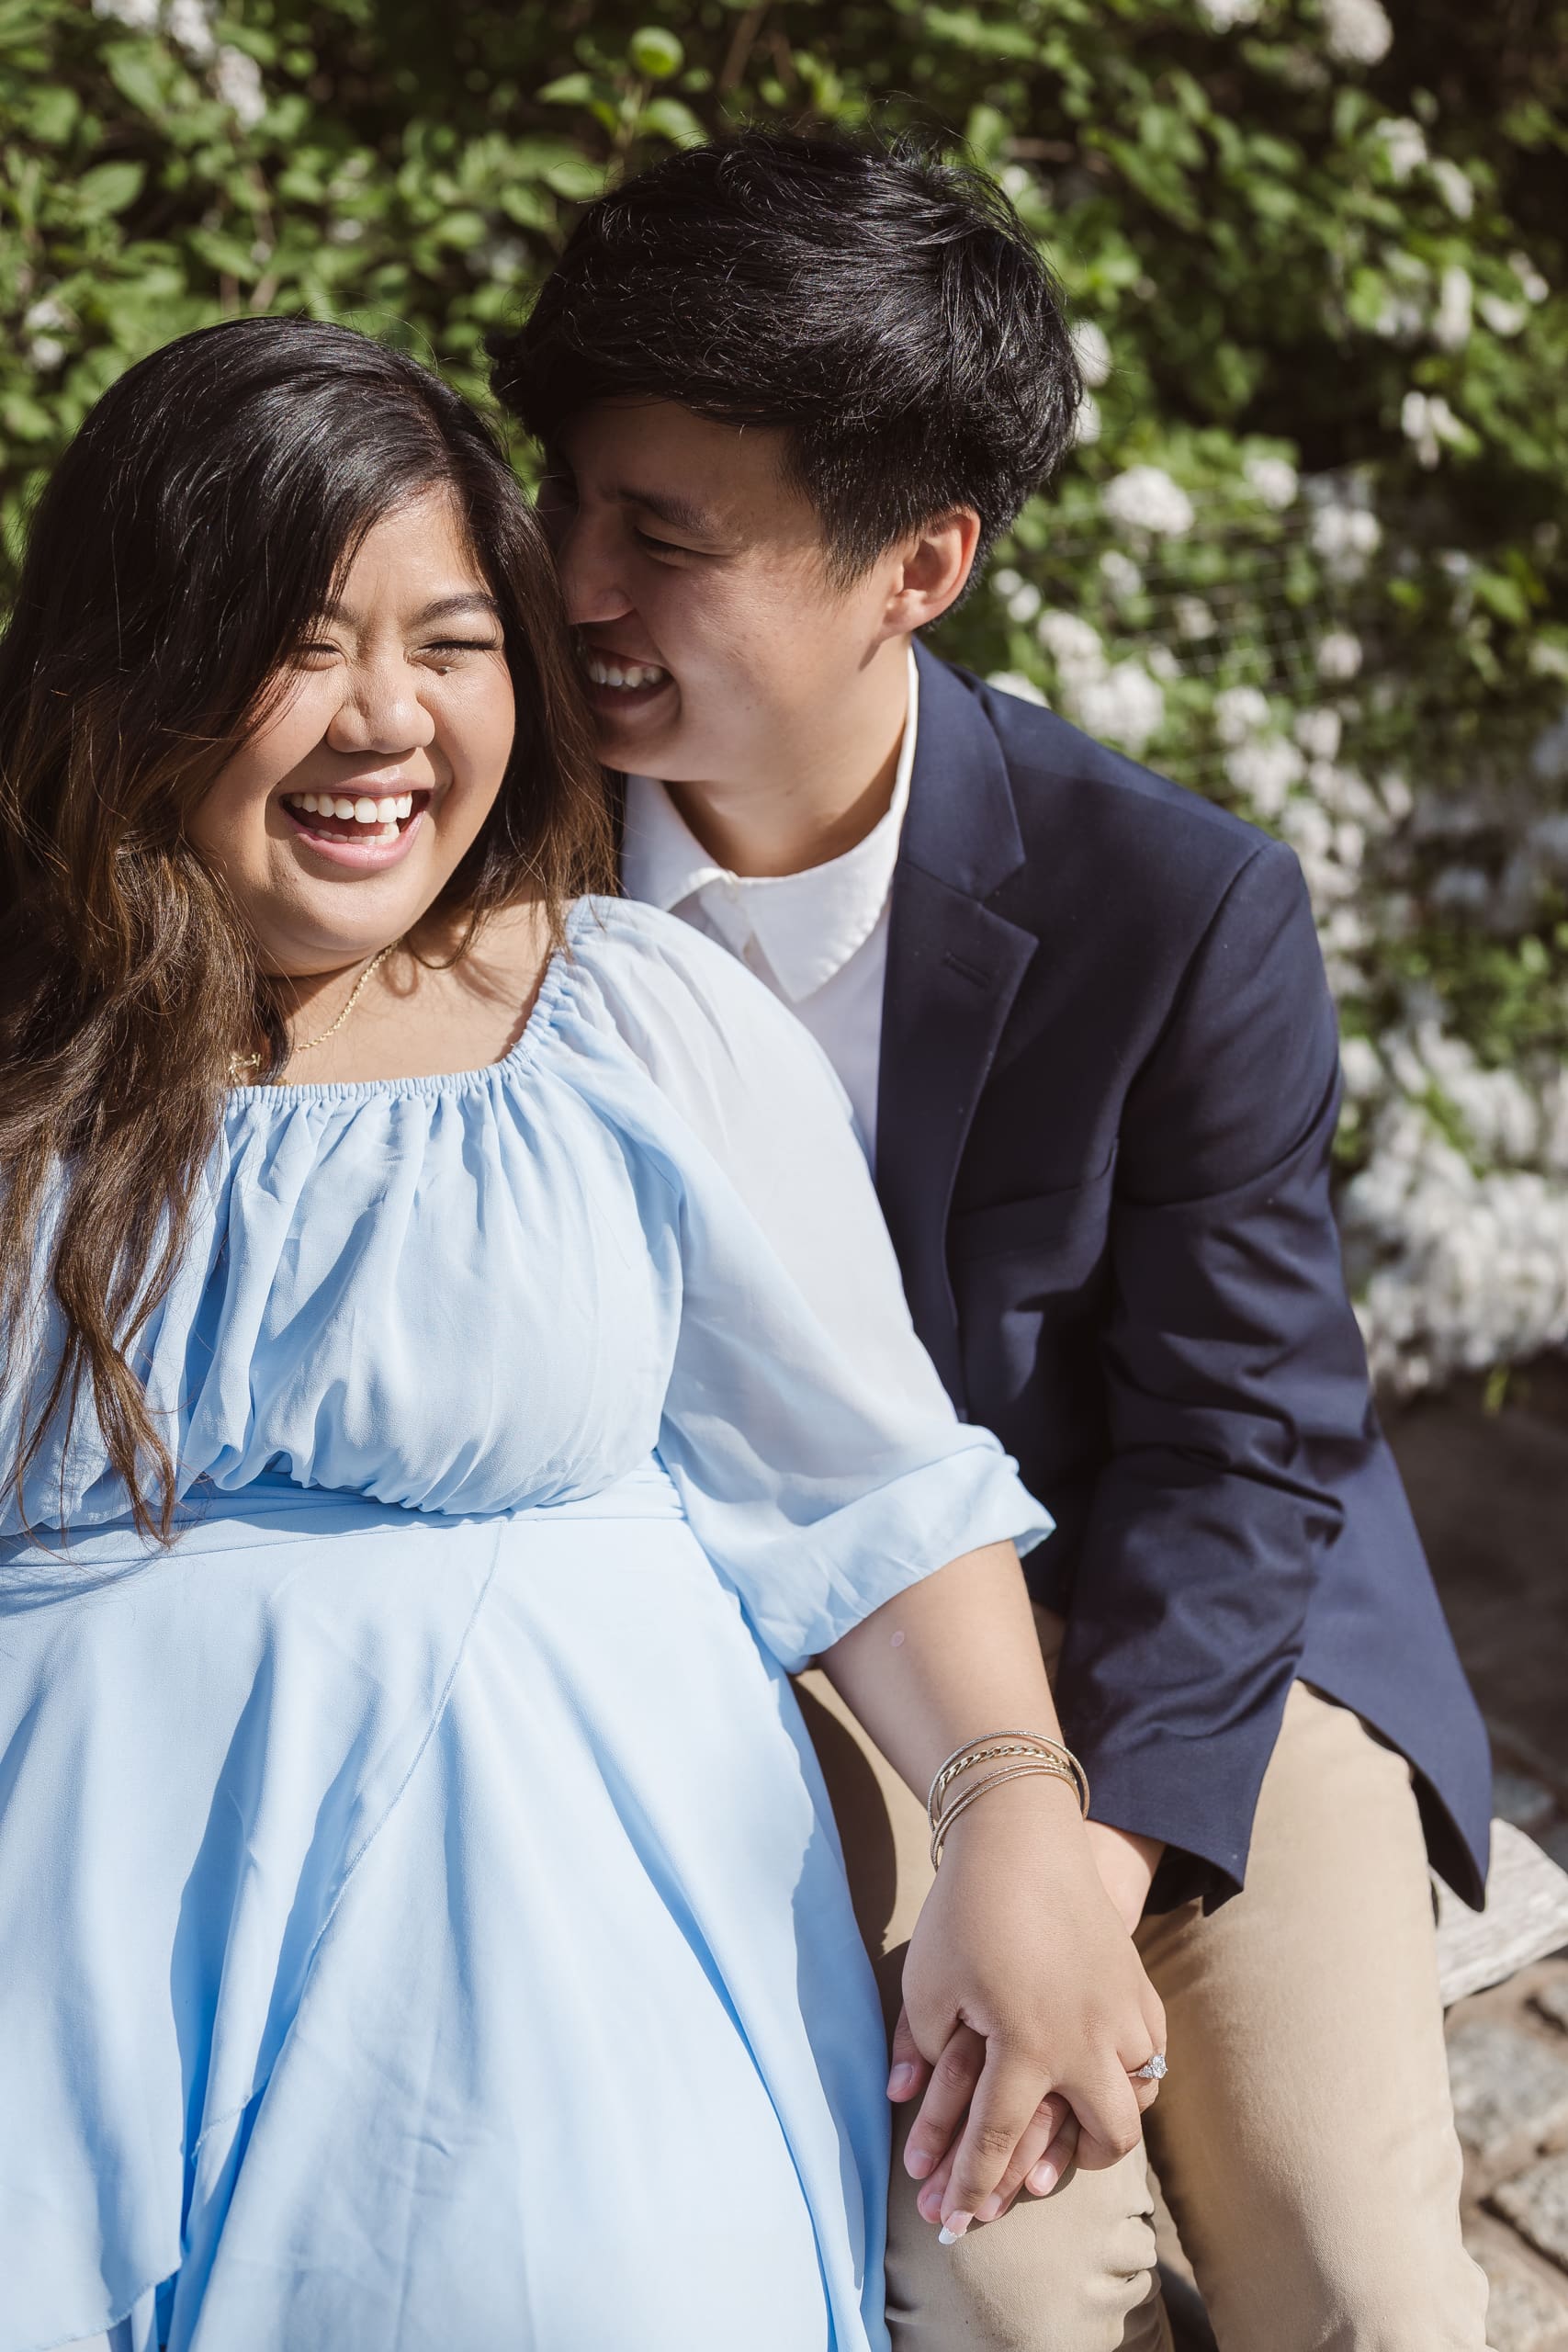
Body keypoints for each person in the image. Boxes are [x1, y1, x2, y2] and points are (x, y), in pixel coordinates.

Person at [0, 316, 1168, 2352]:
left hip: (538, 1978)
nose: (388, 720)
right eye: (300, 645)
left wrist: (1007, 1809)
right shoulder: (28, 1077)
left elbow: (875, 1495)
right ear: (139, 664)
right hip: (66, 1963)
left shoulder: (622, 1018)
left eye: (451, 645)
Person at [490, 129, 1495, 2349]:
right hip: (803, 1665)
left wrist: (1074, 1861)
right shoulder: (487, 868)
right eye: (567, 501)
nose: (571, 584)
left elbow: (1236, 1441)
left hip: (1195, 1649)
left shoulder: (1173, 905)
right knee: (999, 2274)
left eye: (664, 538)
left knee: (1362, 2286)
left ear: (917, 563)